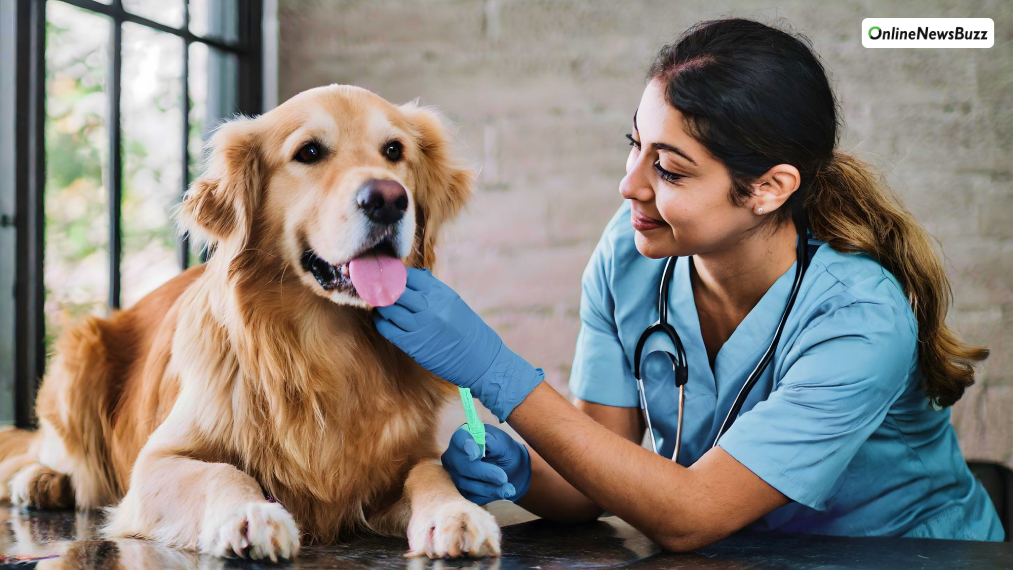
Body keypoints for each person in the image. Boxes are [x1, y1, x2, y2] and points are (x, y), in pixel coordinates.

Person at [372, 18, 1005, 549]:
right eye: (636, 145)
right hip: (749, 558)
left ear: (768, 188)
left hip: (913, 557)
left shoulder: (862, 317)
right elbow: (597, 469)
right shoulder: (631, 253)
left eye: (670, 170)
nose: (631, 185)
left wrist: (492, 369)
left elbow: (691, 513)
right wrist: (524, 474)